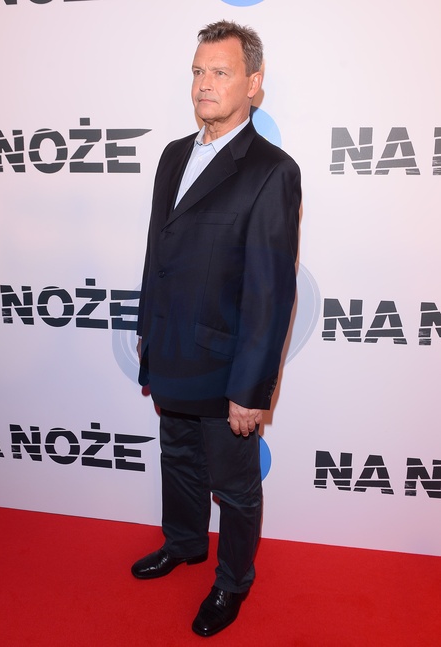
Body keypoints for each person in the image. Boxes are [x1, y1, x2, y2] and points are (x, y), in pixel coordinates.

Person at [131, 20, 301, 638]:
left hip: (226, 365)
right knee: (176, 457)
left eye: (221, 72)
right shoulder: (173, 154)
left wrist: (251, 390)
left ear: (253, 84)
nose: (205, 83)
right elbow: (158, 251)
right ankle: (184, 543)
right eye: (198, 71)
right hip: (170, 348)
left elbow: (270, 291)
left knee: (234, 483)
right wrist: (147, 332)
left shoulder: (272, 171)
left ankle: (233, 580)